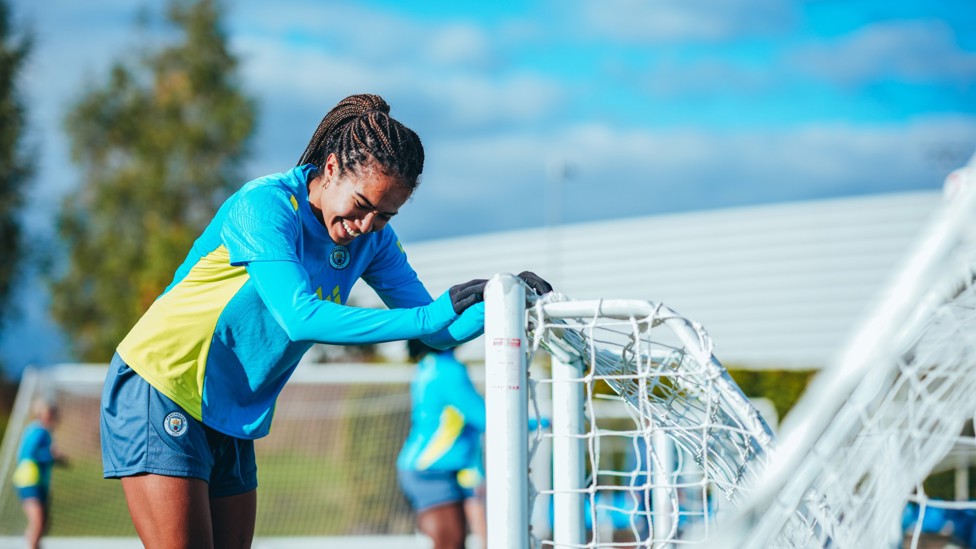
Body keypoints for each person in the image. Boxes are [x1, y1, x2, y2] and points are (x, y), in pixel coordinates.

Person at [99, 93, 551, 549]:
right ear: (330, 168)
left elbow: (433, 331)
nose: (367, 224)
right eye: (362, 204)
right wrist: (431, 314)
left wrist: (502, 309)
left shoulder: (374, 240)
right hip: (162, 382)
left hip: (226, 411)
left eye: (385, 215)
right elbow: (300, 317)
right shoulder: (264, 206)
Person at [397, 339, 487, 549]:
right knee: (450, 544)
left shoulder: (431, 365)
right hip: (430, 471)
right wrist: (541, 420)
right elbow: (484, 418)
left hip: (440, 469)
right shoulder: (447, 370)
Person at [13, 398, 67, 549]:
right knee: (37, 520)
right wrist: (52, 455)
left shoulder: (44, 432)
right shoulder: (38, 430)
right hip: (29, 479)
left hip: (39, 480)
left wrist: (57, 459)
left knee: (43, 523)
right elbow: (28, 454)